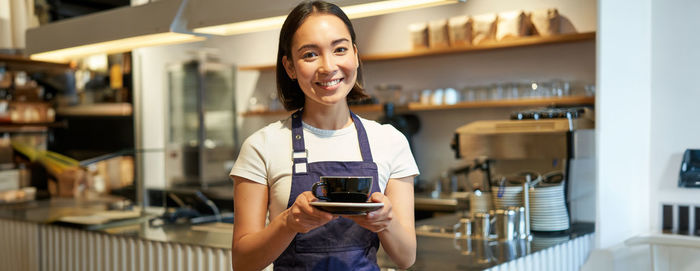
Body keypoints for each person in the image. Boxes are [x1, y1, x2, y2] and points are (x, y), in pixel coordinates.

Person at [229, 1, 419, 270]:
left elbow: (406, 257)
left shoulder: (391, 141)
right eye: (309, 54)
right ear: (290, 67)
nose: (328, 67)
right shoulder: (262, 146)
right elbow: (243, 262)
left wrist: (385, 222)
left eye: (340, 49)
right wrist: (288, 222)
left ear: (355, 54)